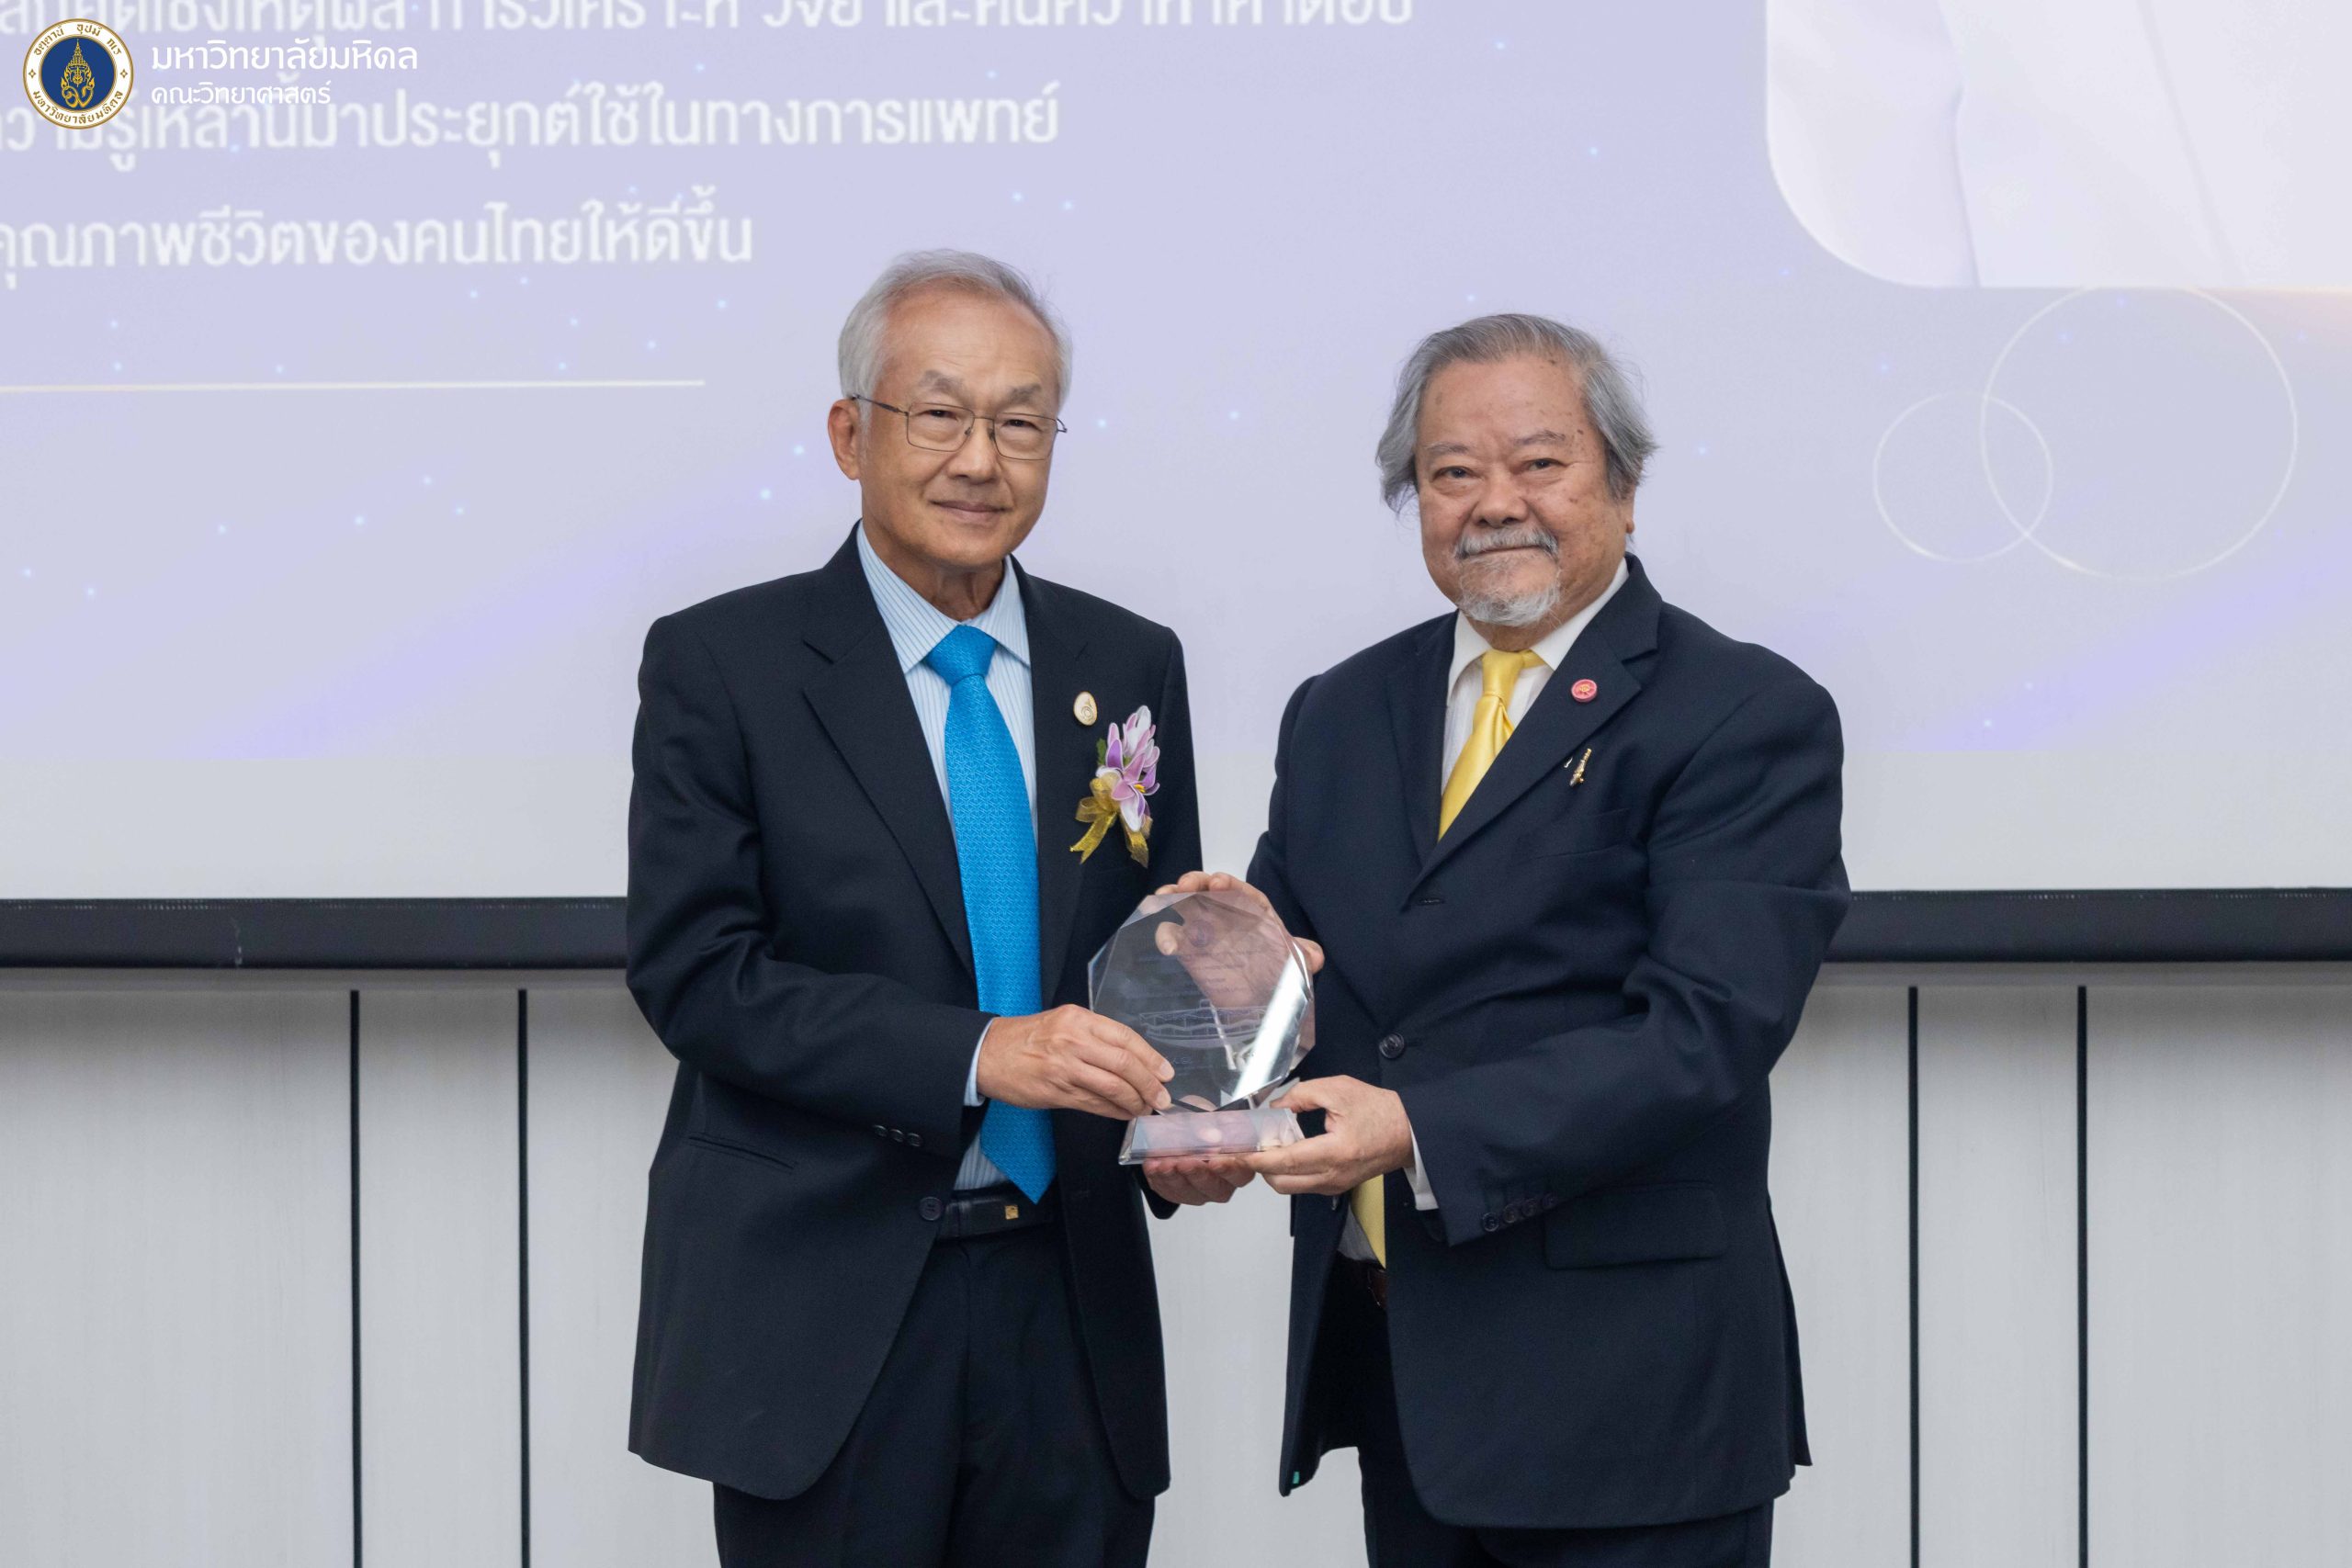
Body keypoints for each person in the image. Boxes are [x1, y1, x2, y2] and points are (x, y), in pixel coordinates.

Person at [1156, 313, 1849, 1566]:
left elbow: (1704, 1033)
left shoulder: (1743, 711)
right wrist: (1200, 1082)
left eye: (1540, 463)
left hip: (1634, 1401)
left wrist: (1416, 1129)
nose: (1494, 503)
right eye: (1452, 472)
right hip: (1406, 1380)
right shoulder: (1341, 708)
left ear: (1624, 488)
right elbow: (1291, 978)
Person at [625, 249, 1202, 1567]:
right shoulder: (724, 663)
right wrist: (979, 1053)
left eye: (1020, 424)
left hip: (1073, 1304)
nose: (980, 460)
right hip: (827, 1314)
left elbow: (1151, 962)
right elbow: (699, 975)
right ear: (851, 436)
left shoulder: (1129, 662)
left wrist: (1194, 1125)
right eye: (939, 414)